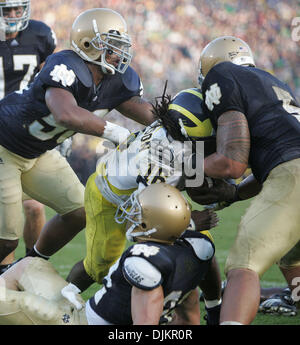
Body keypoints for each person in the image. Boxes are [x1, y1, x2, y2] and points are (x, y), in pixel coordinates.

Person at [0, 8, 155, 266]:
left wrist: (180, 121)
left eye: (120, 46)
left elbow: (149, 113)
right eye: (112, 46)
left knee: (80, 212)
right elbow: (65, 114)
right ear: (88, 45)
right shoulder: (66, 65)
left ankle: (31, 264)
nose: (119, 53)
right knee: (7, 239)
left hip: (38, 153)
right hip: (4, 146)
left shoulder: (118, 80)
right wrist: (119, 133)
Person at [65, 87, 233, 324]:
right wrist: (191, 221)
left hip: (156, 196)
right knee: (101, 264)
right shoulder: (159, 158)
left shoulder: (180, 138)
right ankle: (65, 296)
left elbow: (195, 183)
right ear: (191, 133)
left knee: (203, 244)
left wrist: (220, 192)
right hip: (111, 195)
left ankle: (215, 309)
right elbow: (145, 228)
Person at [0, 184, 220, 325]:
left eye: (138, 213)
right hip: (80, 309)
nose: (132, 216)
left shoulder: (143, 262)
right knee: (29, 264)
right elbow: (197, 292)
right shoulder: (198, 246)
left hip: (77, 322)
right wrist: (215, 308)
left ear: (157, 224)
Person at [196, 35, 300, 324]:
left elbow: (232, 162)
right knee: (291, 255)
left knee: (244, 264)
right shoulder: (273, 82)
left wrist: (181, 166)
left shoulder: (221, 74)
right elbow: (276, 159)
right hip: (290, 171)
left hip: (293, 175)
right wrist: (236, 195)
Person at [0, 0, 56, 272]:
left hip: (25, 126)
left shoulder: (40, 34)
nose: (12, 16)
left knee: (34, 207)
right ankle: (6, 272)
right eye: (5, 10)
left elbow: (49, 82)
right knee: (4, 211)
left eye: (16, 9)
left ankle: (33, 266)